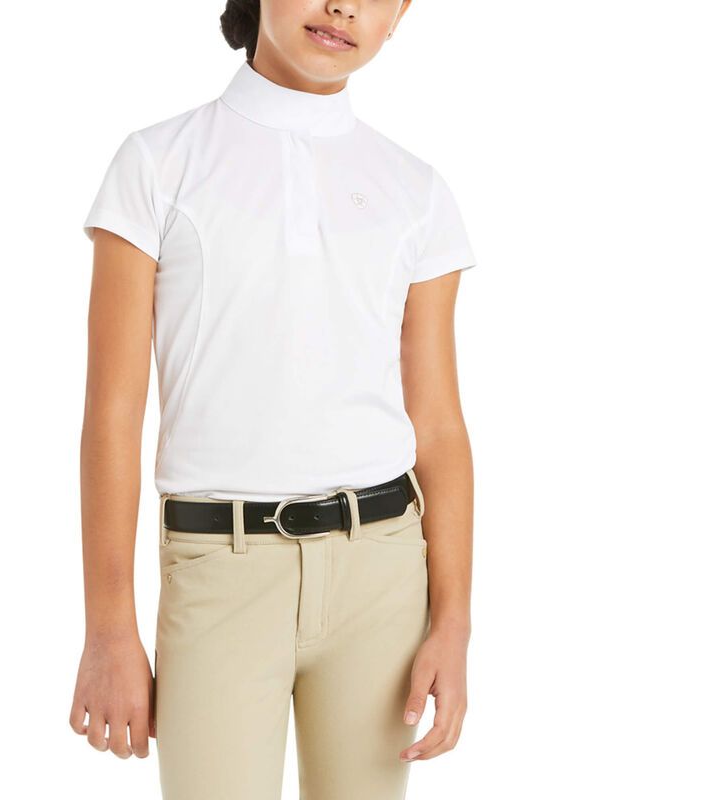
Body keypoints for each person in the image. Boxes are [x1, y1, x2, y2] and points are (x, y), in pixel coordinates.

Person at [70, 1, 476, 798]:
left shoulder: (417, 191)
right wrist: (109, 627)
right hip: (218, 573)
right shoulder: (158, 163)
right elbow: (113, 415)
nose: (344, 7)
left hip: (382, 573)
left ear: (400, 14)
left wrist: (453, 621)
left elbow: (438, 427)